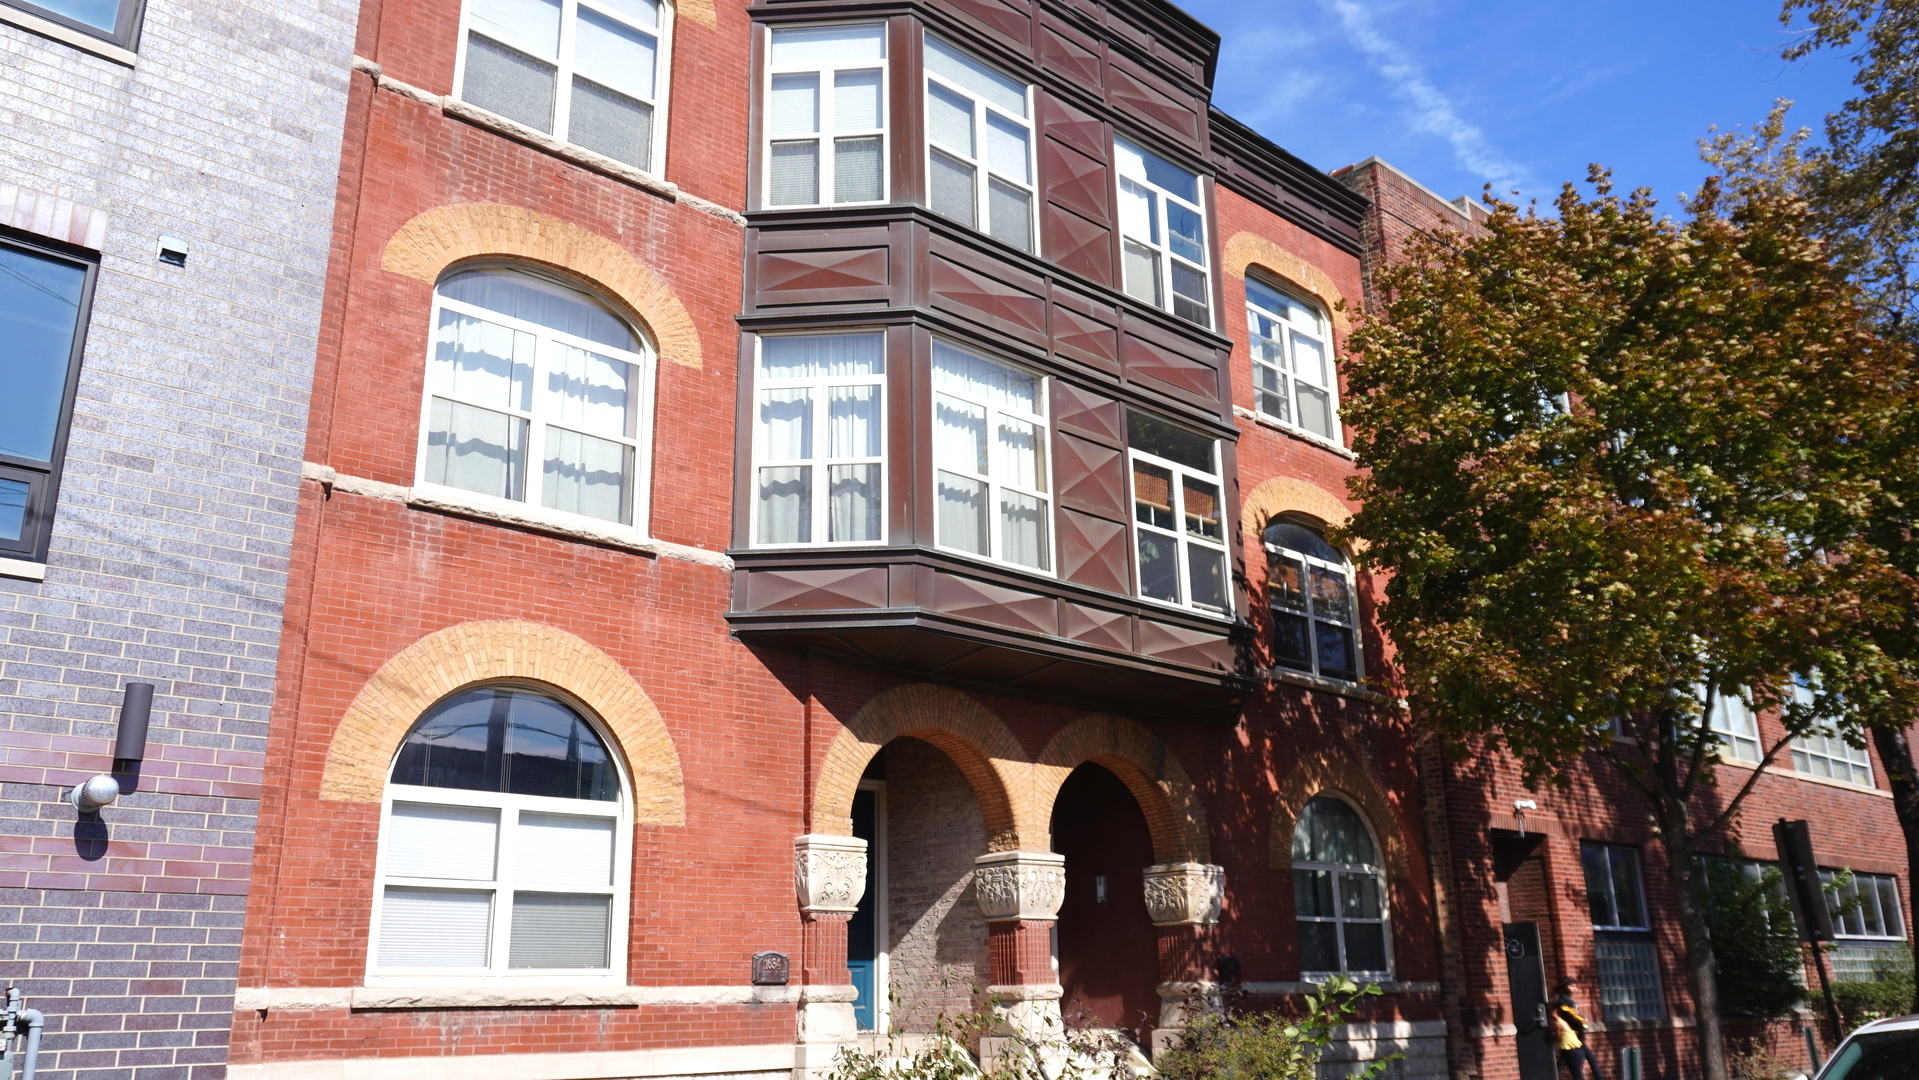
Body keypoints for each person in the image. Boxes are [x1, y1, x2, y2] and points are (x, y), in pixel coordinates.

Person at [1551, 979, 1602, 1080]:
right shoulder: (1564, 1000)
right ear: (1565, 986)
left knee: (1562, 1063)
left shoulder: (1565, 999)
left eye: (1576, 986)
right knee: (1590, 1061)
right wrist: (1581, 1025)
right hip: (1573, 1035)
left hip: (1572, 1036)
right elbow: (1571, 1016)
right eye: (1572, 986)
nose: (1575, 989)